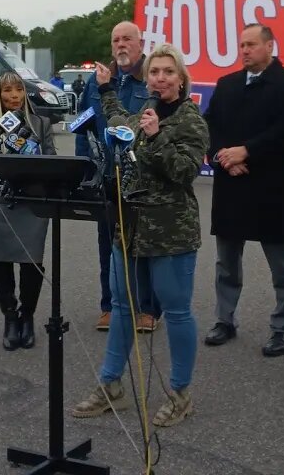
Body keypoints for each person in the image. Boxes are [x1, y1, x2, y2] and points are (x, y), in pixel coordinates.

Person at [71, 43, 209, 428]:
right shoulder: (140, 114)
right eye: (154, 72)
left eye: (167, 72)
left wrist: (158, 136)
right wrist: (105, 88)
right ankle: (110, 384)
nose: (159, 78)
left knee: (176, 310)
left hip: (170, 232)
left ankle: (180, 393)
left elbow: (185, 172)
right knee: (122, 307)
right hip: (129, 227)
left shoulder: (190, 121)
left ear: (181, 80)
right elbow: (118, 119)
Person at [202, 24, 284, 357]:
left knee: (283, 266)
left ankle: (282, 327)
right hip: (231, 184)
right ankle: (225, 320)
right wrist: (224, 157)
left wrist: (246, 151)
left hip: (270, 186)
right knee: (226, 263)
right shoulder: (227, 84)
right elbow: (210, 126)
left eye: (251, 44)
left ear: (269, 46)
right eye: (241, 45)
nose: (245, 50)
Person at [74, 22, 160, 333]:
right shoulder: (96, 82)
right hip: (105, 178)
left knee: (143, 246)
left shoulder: (153, 79)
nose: (121, 45)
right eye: (116, 40)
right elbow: (83, 128)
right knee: (107, 244)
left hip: (142, 180)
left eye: (127, 39)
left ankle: (148, 308)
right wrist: (83, 172)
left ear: (140, 44)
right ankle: (109, 305)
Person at [0, 72, 57, 350]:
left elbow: (51, 159)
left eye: (18, 90)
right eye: (7, 90)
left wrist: (33, 164)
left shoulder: (40, 123)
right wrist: (3, 176)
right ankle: (10, 317)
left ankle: (27, 316)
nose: (13, 96)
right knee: (0, 261)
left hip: (32, 203)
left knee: (31, 261)